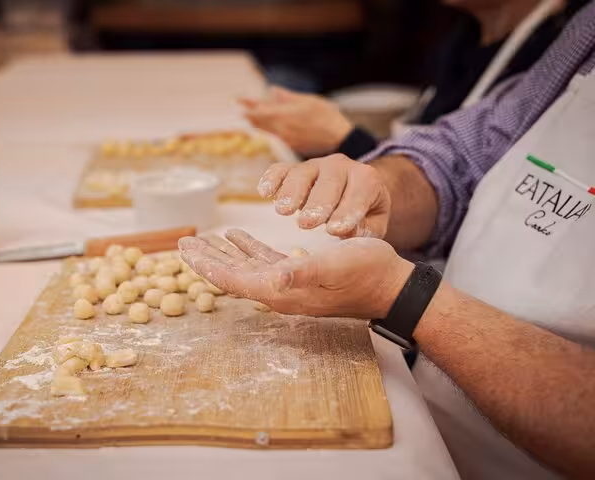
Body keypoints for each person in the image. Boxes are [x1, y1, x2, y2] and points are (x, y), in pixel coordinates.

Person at [179, 1, 595, 478]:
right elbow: (464, 154)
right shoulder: (587, 33)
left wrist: (407, 300)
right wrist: (381, 185)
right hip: (435, 409)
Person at [239, 0, 590, 159]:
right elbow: (436, 150)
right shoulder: (463, 32)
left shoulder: (552, 51)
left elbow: (470, 191)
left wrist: (343, 137)